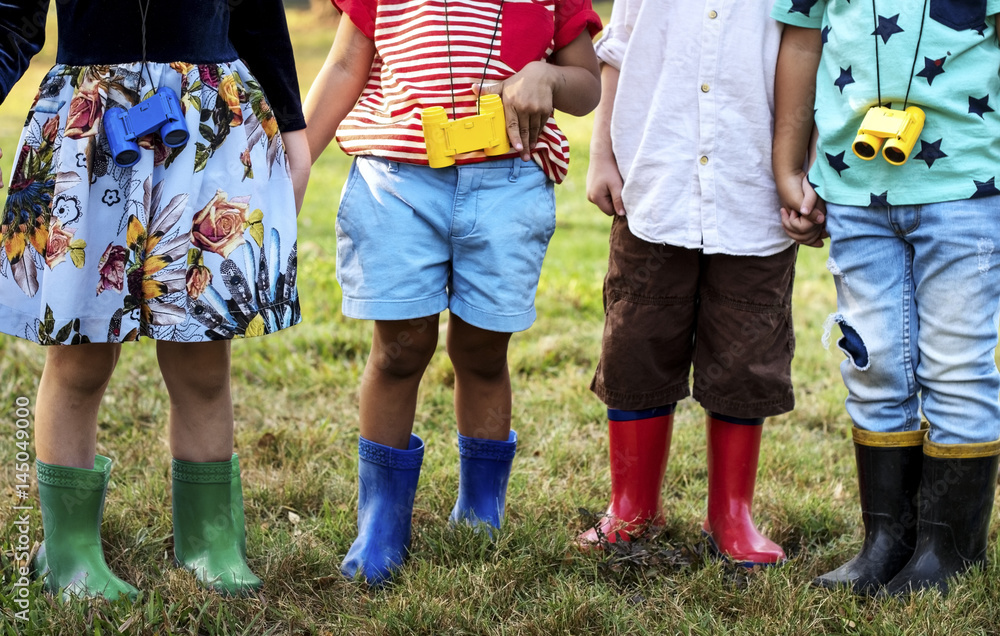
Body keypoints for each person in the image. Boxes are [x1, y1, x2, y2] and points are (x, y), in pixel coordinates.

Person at [0, 0, 310, 599]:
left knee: (201, 354)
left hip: (206, 129)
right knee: (81, 353)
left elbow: (256, 16)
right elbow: (11, 18)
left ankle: (210, 541)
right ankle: (67, 551)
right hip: (88, 129)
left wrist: (292, 127)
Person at [304, 0, 602, 585]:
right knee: (398, 349)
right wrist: (297, 163)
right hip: (397, 180)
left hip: (507, 185)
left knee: (484, 352)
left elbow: (587, 87)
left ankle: (480, 511)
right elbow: (344, 68)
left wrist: (548, 76)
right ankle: (382, 521)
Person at [772, 0, 1000, 595]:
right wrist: (788, 165)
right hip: (855, 193)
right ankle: (886, 542)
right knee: (872, 365)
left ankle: (949, 552)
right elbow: (801, 44)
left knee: (956, 365)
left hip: (966, 192)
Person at [578, 0, 796, 567]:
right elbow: (618, 50)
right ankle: (632, 507)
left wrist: (803, 168)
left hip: (754, 192)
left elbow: (809, 58)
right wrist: (601, 153)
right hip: (656, 184)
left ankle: (731, 515)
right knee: (637, 343)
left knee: (747, 356)